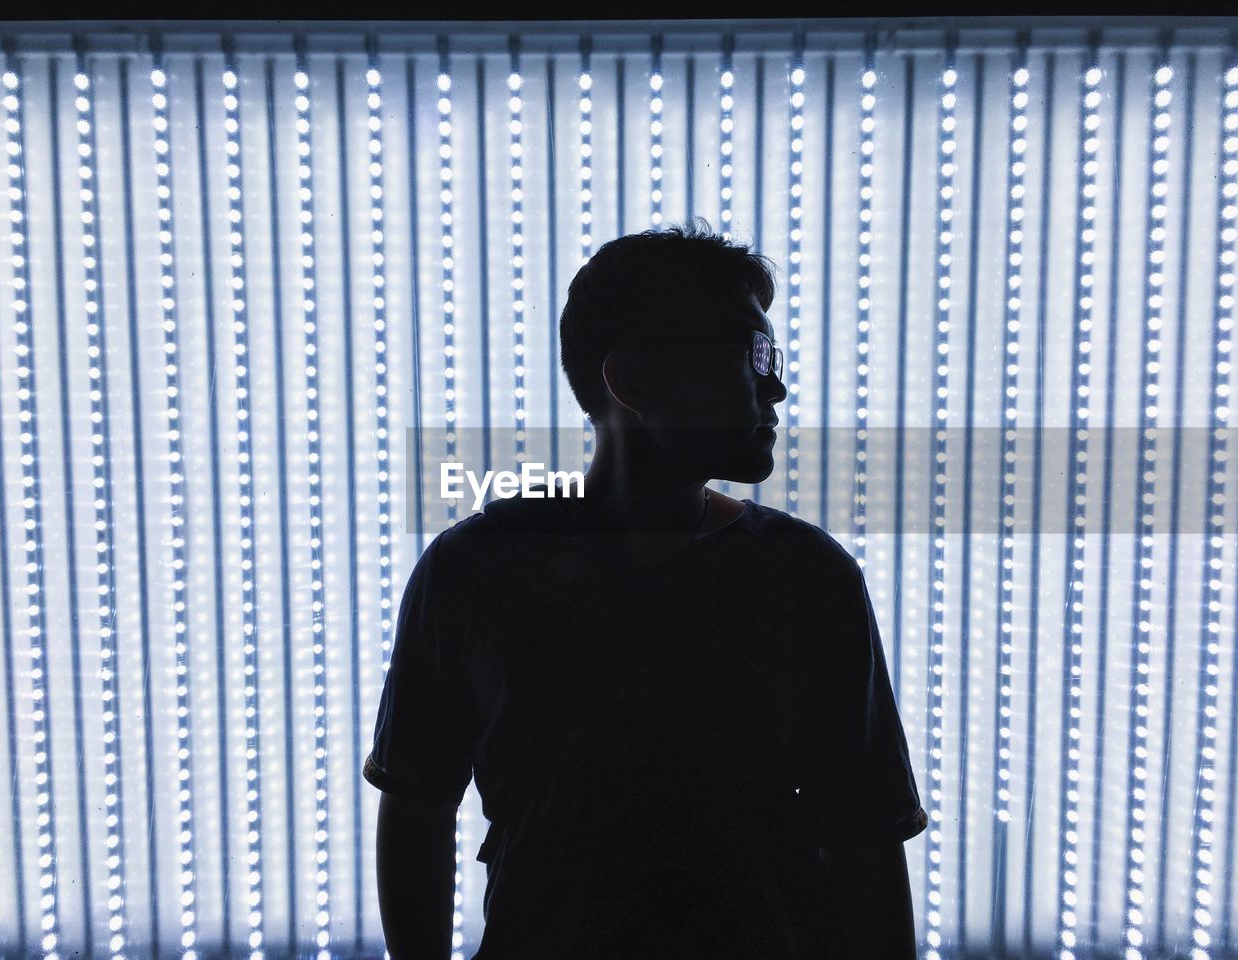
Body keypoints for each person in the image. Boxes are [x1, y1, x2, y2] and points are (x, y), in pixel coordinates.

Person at [365, 220, 928, 959]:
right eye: (753, 357)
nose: (777, 384)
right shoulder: (798, 573)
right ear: (631, 381)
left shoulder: (481, 564)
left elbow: (865, 841)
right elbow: (864, 839)